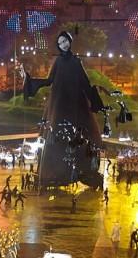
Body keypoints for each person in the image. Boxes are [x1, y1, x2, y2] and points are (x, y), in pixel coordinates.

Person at [21, 31, 105, 189]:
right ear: (58, 46)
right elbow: (49, 80)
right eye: (60, 43)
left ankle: (84, 172)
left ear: (70, 41)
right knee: (56, 138)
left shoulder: (76, 61)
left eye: (65, 41)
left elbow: (85, 83)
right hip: (59, 106)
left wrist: (95, 100)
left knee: (79, 138)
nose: (64, 44)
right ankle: (54, 174)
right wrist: (30, 82)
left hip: (76, 105)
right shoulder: (58, 62)